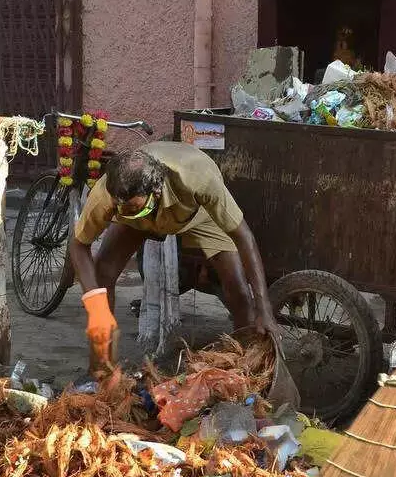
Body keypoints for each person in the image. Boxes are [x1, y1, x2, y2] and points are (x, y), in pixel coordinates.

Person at [70, 141, 279, 371]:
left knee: (239, 294)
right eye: (121, 208)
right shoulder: (110, 196)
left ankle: (243, 372)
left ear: (156, 191)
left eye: (135, 208)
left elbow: (244, 237)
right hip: (137, 220)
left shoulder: (198, 178)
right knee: (102, 276)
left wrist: (265, 308)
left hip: (197, 214)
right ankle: (101, 372)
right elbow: (79, 245)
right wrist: (97, 309)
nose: (125, 211)